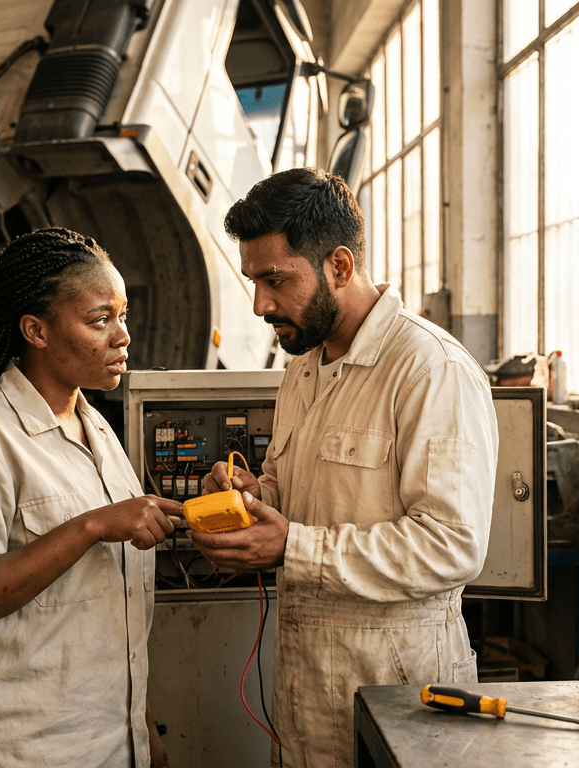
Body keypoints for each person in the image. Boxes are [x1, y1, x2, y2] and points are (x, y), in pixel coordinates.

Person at [191, 168, 499, 767]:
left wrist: (293, 548)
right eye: (253, 280)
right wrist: (252, 498)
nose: (259, 304)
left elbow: (453, 545)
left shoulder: (430, 370)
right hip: (306, 681)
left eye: (275, 280)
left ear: (338, 265)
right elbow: (295, 492)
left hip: (400, 685)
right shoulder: (303, 366)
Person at [0, 228, 182, 768]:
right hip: (15, 751)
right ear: (36, 330)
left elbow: (114, 610)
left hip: (107, 746)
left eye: (123, 315)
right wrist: (90, 527)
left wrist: (143, 731)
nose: (122, 335)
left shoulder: (98, 432)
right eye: (99, 319)